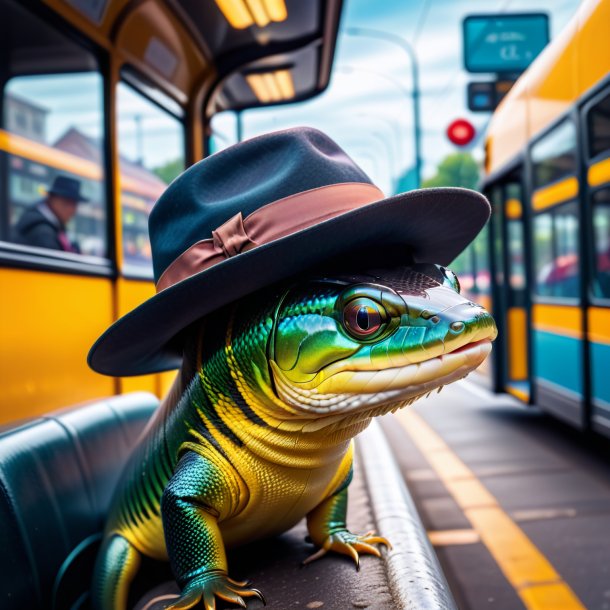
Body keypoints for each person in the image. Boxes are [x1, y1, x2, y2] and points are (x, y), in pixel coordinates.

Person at [11, 175, 87, 253]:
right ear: (51, 199)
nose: (72, 210)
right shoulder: (42, 233)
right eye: (67, 203)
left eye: (75, 205)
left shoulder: (50, 227)